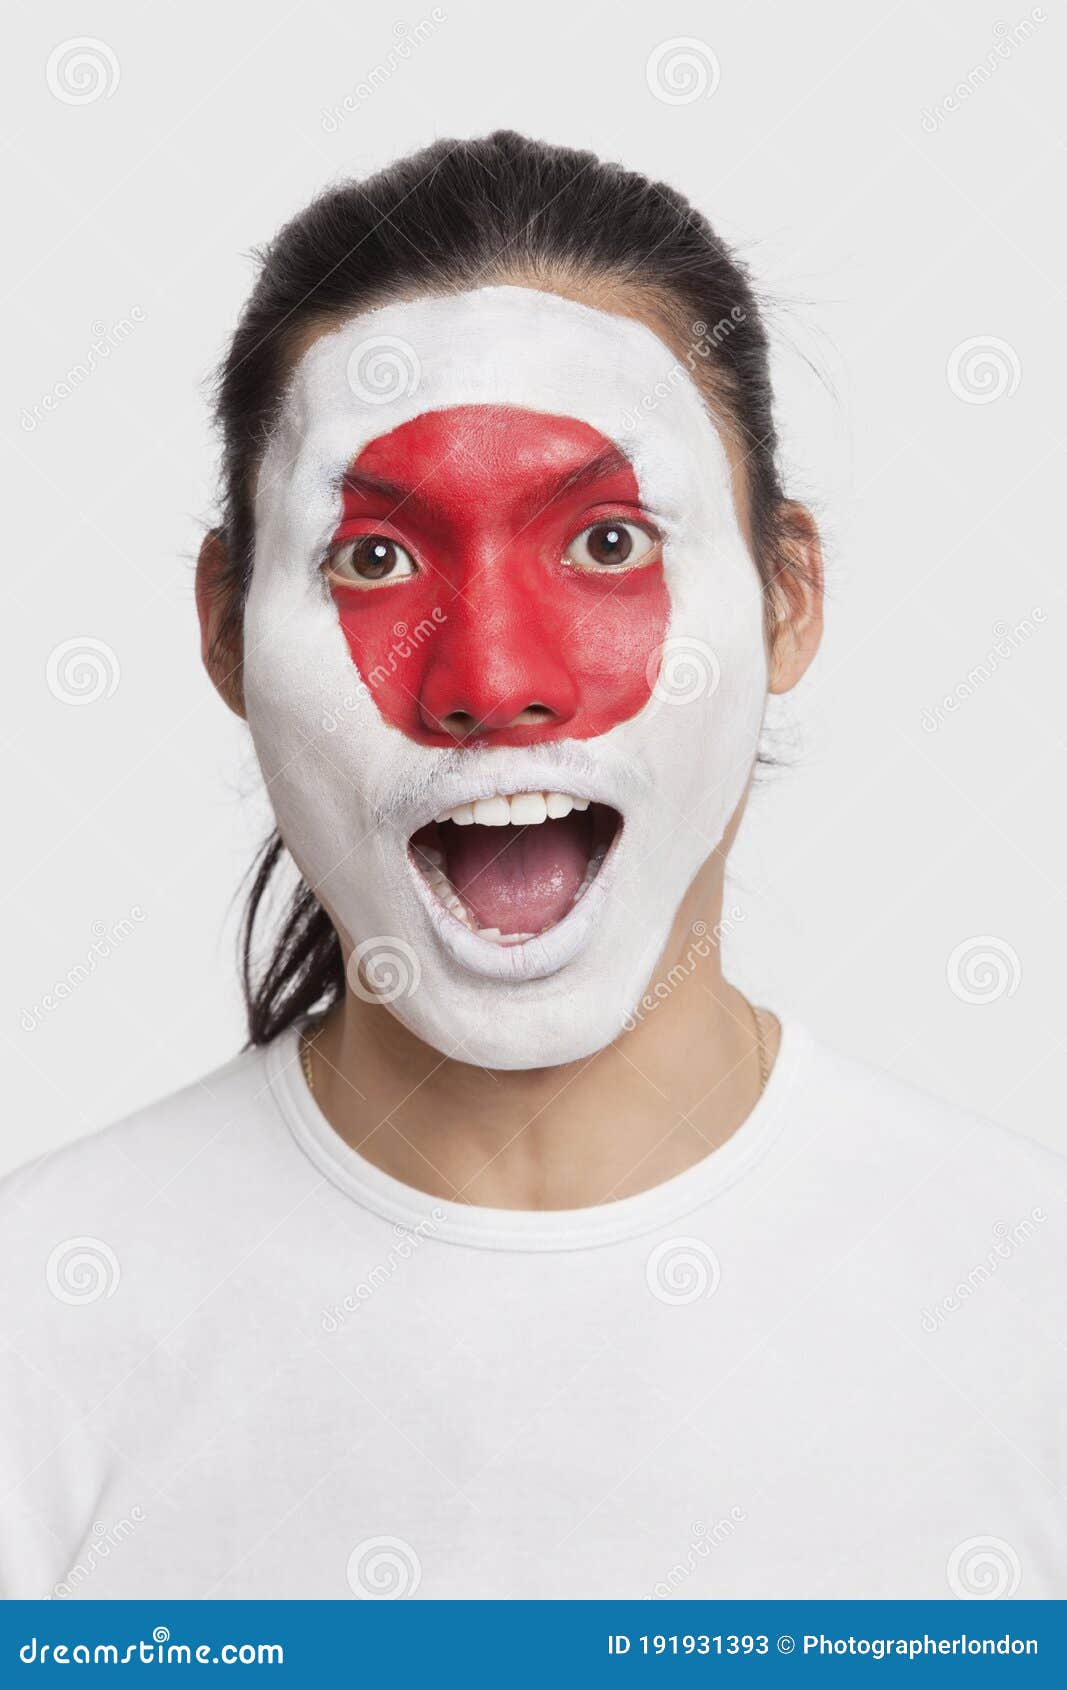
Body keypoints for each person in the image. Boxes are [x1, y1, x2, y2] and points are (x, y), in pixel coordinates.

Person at [2, 132, 1063, 1602]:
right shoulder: (36, 1323)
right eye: (374, 559)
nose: (494, 681)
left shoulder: (1029, 1309)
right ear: (225, 625)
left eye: (610, 540)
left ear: (786, 599)